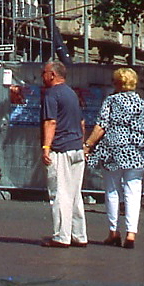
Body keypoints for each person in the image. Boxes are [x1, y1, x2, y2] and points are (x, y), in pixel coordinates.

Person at [84, 67, 144, 249]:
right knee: (133, 191)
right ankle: (131, 233)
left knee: (112, 190)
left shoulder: (111, 101)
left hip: (114, 150)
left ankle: (113, 232)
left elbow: (101, 126)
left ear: (117, 83)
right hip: (137, 152)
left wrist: (88, 145)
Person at [40, 60, 88, 248]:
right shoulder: (71, 94)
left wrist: (46, 147)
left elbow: (50, 122)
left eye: (44, 72)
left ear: (52, 74)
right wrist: (81, 144)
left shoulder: (52, 94)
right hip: (76, 147)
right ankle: (79, 234)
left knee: (59, 193)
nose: (42, 76)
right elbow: (82, 122)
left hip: (61, 149)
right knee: (75, 194)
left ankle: (61, 236)